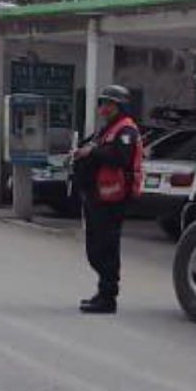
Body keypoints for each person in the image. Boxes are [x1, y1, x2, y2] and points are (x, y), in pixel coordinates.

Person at [72, 84, 143, 314]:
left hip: (113, 197)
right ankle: (102, 292)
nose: (103, 107)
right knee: (95, 247)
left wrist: (91, 152)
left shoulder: (126, 131)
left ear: (119, 106)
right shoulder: (108, 129)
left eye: (108, 103)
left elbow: (119, 157)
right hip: (98, 195)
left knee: (106, 247)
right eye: (102, 103)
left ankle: (107, 297)